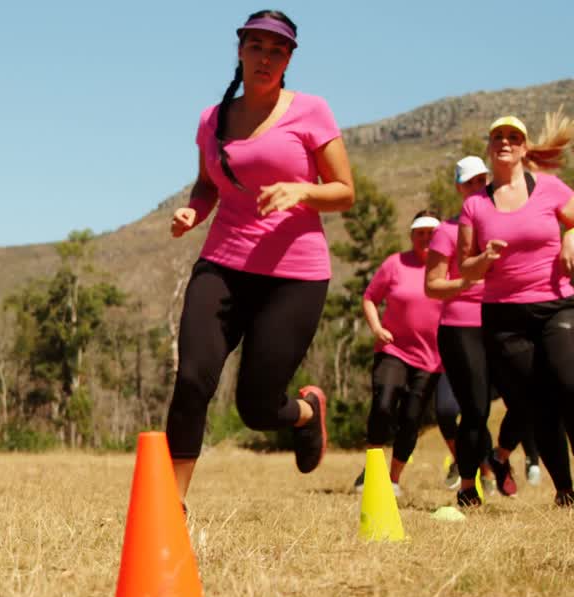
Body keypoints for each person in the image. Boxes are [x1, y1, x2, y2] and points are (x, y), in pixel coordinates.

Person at [167, 9, 354, 500]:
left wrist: (302, 192)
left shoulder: (310, 111)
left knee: (255, 407)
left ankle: (308, 412)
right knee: (191, 379)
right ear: (240, 51)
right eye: (256, 47)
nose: (265, 57)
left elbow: (344, 191)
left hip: (294, 277)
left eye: (277, 50)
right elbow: (207, 185)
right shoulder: (214, 119)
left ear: (289, 58)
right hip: (223, 265)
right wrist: (193, 212)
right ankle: (172, 507)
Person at [457, 114, 574, 507]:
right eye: (497, 137)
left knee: (569, 384)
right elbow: (465, 269)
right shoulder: (476, 205)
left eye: (513, 136)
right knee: (539, 403)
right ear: (490, 148)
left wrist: (571, 235)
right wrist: (485, 258)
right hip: (505, 316)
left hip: (556, 303)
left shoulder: (550, 188)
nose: (505, 142)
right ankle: (565, 491)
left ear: (524, 148)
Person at [351, 212, 444, 496]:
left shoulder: (449, 267)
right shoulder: (395, 263)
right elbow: (369, 297)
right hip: (394, 349)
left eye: (432, 233)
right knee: (383, 403)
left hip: (432, 358)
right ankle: (372, 469)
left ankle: (392, 479)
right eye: (420, 233)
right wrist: (377, 328)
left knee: (411, 417)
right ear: (411, 235)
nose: (426, 238)